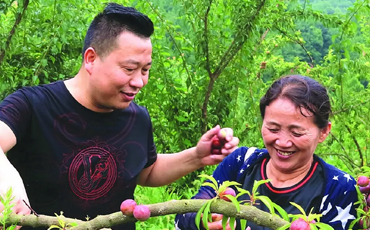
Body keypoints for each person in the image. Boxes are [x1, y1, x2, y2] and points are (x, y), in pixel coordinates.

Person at [0, 3, 239, 230]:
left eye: (145, 70)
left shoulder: (137, 118)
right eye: (129, 69)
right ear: (91, 59)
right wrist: (8, 183)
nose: (139, 82)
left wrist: (196, 156)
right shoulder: (32, 105)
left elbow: (146, 170)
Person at [175, 75, 359, 230]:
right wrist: (207, 220)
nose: (283, 142)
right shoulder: (241, 162)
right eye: (273, 129)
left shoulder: (339, 188)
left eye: (297, 132)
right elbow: (185, 214)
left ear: (324, 132)